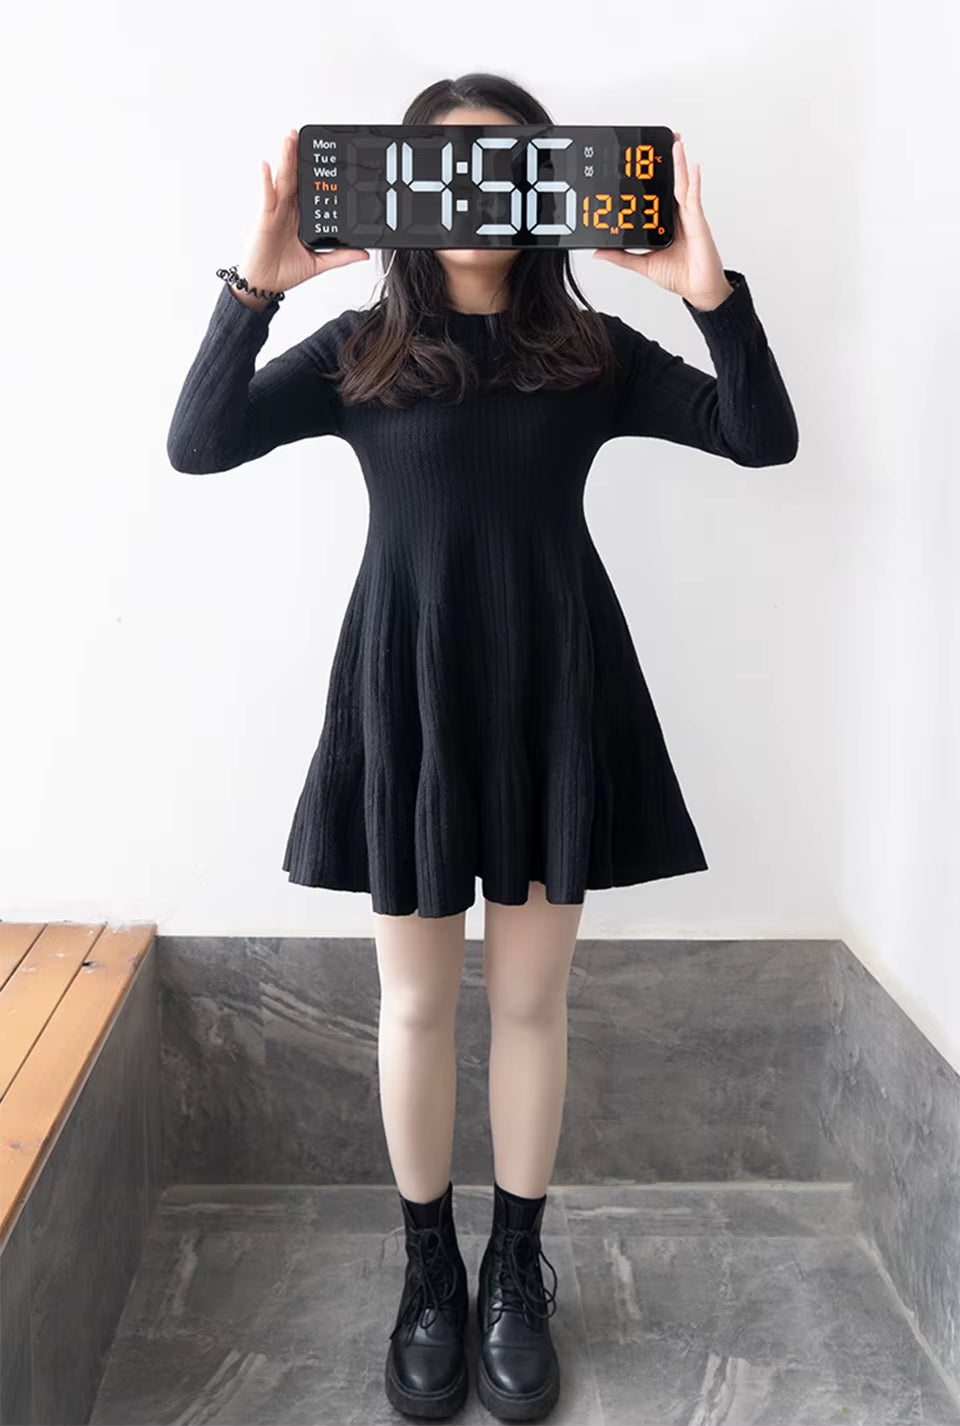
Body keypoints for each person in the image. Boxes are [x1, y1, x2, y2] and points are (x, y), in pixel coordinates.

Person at [167, 71, 798, 1425]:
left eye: (507, 168)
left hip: (553, 684)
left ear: (546, 187)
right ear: (404, 189)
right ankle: (426, 1274)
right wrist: (255, 286)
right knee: (413, 1003)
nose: (476, 198)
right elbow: (197, 443)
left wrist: (709, 294)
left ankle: (516, 1269)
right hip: (410, 688)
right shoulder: (362, 350)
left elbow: (761, 436)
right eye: (448, 169)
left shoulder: (588, 351)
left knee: (527, 1001)